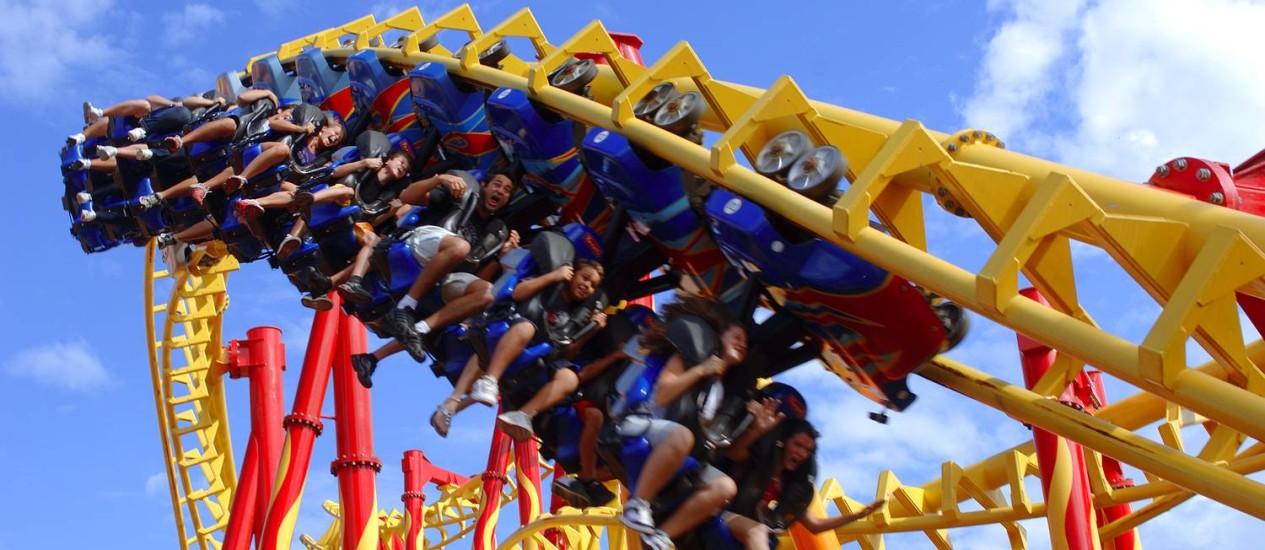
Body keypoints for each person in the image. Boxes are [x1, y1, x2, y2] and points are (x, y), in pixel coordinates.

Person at [347, 170, 519, 384]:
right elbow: (408, 196)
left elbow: (476, 275)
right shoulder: (460, 195)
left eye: (506, 190)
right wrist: (438, 179)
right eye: (497, 184)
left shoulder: (494, 233)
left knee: (485, 293)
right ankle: (404, 309)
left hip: (443, 273)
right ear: (485, 185)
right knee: (460, 246)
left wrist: (500, 258)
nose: (500, 191)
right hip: (421, 242)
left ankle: (396, 342)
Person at [615, 296, 748, 550]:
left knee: (725, 486)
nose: (742, 344)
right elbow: (663, 394)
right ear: (719, 337)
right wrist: (701, 370)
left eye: (745, 342)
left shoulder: (719, 388)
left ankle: (662, 535)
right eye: (737, 337)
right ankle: (637, 505)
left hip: (676, 444)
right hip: (642, 423)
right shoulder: (688, 358)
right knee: (682, 436)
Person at [430, 259, 606, 439]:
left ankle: (521, 415)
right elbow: (518, 293)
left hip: (536, 354)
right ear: (572, 273)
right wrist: (554, 276)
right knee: (522, 331)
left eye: (592, 285)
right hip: (511, 329)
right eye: (584, 278)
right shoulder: (552, 285)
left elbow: (567, 351)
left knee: (570, 378)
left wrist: (591, 330)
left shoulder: (577, 315)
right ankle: (457, 400)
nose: (586, 285)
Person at [721, 413, 885, 549]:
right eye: (798, 445)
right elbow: (734, 453)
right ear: (783, 442)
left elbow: (815, 525)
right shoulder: (758, 461)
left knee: (763, 534)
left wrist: (858, 515)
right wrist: (755, 430)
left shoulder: (785, 486)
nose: (801, 453)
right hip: (725, 512)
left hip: (747, 528)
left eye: (807, 450)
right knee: (759, 532)